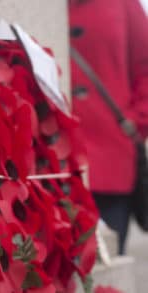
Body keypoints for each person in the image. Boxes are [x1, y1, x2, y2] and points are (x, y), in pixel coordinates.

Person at [69, 0, 148, 254]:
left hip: (111, 161)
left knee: (105, 268)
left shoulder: (124, 4)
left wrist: (136, 121)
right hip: (54, 162)